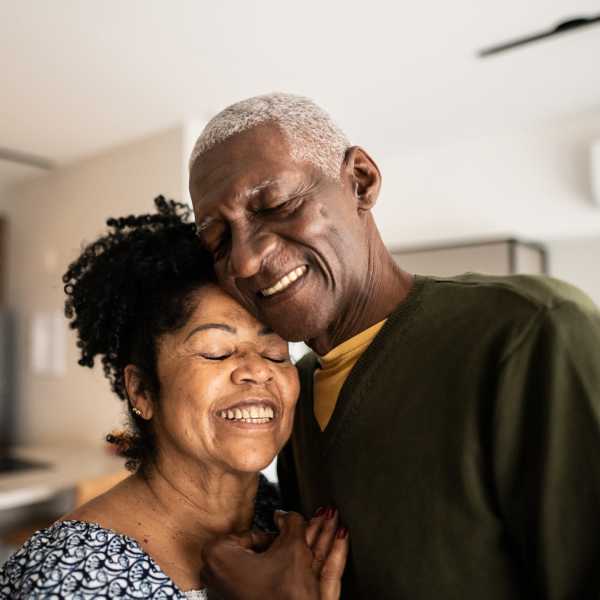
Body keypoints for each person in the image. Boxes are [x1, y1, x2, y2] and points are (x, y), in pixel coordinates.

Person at [188, 93, 600, 599]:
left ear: (360, 181)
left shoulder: (529, 334)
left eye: (276, 205)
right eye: (219, 241)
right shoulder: (294, 399)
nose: (246, 261)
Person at [0, 197, 348, 599]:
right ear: (143, 392)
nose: (259, 369)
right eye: (216, 351)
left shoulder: (288, 523)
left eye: (276, 354)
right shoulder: (68, 576)